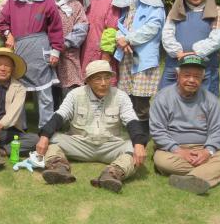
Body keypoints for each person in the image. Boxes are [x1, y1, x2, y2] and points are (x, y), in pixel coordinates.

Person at [36, 60, 147, 193]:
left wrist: (139, 144)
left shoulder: (121, 96)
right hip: (80, 144)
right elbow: (60, 115)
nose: (104, 83)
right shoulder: (75, 95)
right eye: (98, 79)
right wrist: (44, 137)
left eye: (107, 78)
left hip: (110, 146)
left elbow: (132, 121)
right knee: (51, 138)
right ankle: (59, 168)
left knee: (134, 147)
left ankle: (112, 173)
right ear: (88, 80)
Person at [150, 55, 220, 195]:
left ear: (202, 79)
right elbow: (158, 131)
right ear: (177, 75)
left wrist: (207, 151)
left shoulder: (211, 100)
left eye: (197, 76)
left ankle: (191, 178)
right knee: (161, 161)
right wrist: (177, 150)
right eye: (187, 75)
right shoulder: (163, 97)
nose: (191, 80)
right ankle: (218, 171)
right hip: (173, 151)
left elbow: (218, 131)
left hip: (203, 148)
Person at [0, 0, 64, 129]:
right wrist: (8, 35)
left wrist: (56, 51)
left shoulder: (47, 1)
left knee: (45, 93)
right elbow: (1, 22)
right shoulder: (13, 0)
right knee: (18, 91)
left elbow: (56, 28)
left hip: (41, 49)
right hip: (19, 51)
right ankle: (20, 127)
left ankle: (45, 129)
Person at [112, 0, 165, 137]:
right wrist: (120, 38)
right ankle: (131, 131)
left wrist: (128, 39)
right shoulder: (128, 2)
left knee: (141, 98)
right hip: (126, 55)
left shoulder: (154, 4)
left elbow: (152, 28)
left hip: (143, 57)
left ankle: (143, 134)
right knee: (127, 96)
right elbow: (120, 23)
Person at [160, 0, 220, 96]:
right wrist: (178, 52)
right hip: (176, 63)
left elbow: (217, 37)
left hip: (204, 65)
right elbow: (167, 34)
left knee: (203, 103)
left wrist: (196, 52)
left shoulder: (217, 11)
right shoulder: (177, 10)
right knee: (168, 98)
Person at [45, 0, 89, 106]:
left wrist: (64, 44)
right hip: (49, 52)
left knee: (69, 87)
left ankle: (71, 118)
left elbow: (81, 28)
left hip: (68, 53)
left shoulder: (76, 5)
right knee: (50, 87)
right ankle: (52, 118)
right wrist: (51, 46)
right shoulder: (46, 4)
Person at [79, 0, 120, 82]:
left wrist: (106, 56)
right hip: (84, 51)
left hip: (101, 53)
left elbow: (112, 29)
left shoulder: (112, 0)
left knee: (102, 85)